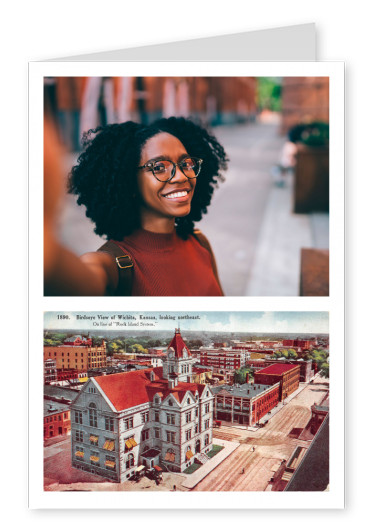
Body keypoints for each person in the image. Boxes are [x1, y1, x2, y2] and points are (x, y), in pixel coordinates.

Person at [45, 116, 228, 296]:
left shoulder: (200, 243)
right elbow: (71, 280)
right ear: (129, 181)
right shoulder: (111, 266)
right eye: (159, 167)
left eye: (186, 163)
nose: (181, 176)